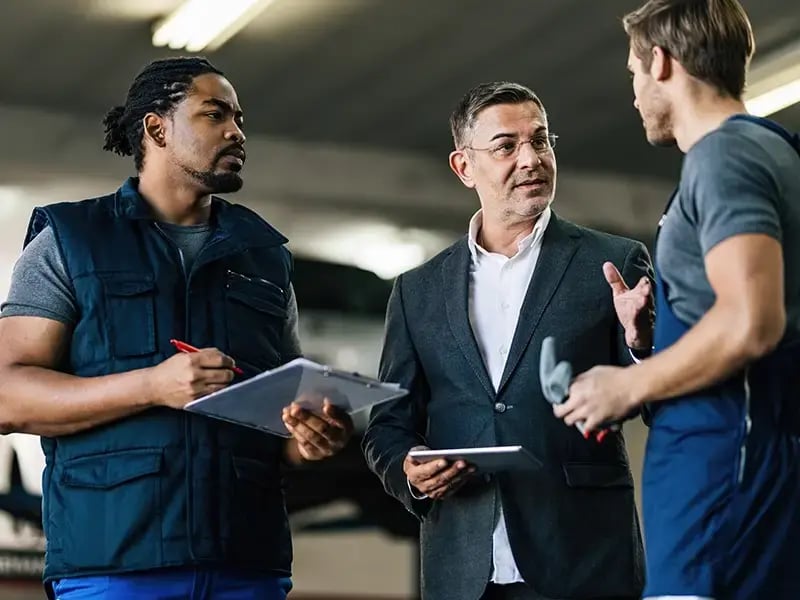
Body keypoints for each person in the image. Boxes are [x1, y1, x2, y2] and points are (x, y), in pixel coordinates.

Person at [0, 56, 353, 600]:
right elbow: (7, 397)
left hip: (247, 565)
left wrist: (307, 440)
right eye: (215, 115)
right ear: (156, 128)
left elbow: (279, 416)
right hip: (115, 567)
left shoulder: (265, 257)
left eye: (239, 119)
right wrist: (152, 386)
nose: (236, 132)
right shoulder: (70, 241)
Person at [362, 81, 654, 600]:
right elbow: (388, 425)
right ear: (464, 167)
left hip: (584, 558)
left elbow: (658, 400)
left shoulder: (611, 264)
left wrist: (643, 346)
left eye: (540, 141)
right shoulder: (416, 291)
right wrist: (409, 468)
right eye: (506, 147)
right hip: (462, 565)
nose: (531, 159)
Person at [553, 1, 800, 598]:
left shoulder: (724, 157)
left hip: (723, 481)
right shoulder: (777, 151)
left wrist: (625, 385)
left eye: (634, 73)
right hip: (752, 473)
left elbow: (751, 323)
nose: (635, 95)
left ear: (661, 63)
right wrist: (648, 342)